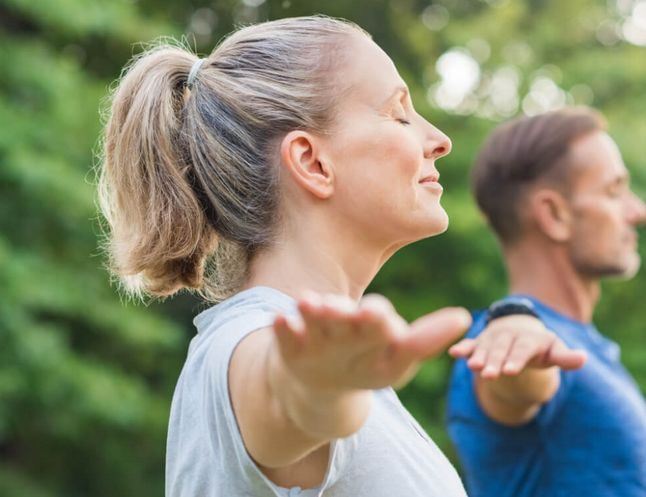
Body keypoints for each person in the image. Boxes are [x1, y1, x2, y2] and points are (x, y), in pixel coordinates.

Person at [98, 15, 473, 497]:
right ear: (312, 163)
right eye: (399, 113)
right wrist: (316, 388)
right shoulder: (249, 345)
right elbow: (282, 395)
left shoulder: (333, 362)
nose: (439, 140)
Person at [446, 107, 646, 497]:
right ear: (554, 214)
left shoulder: (582, 344)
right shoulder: (507, 344)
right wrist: (518, 333)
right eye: (614, 191)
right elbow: (517, 381)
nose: (638, 211)